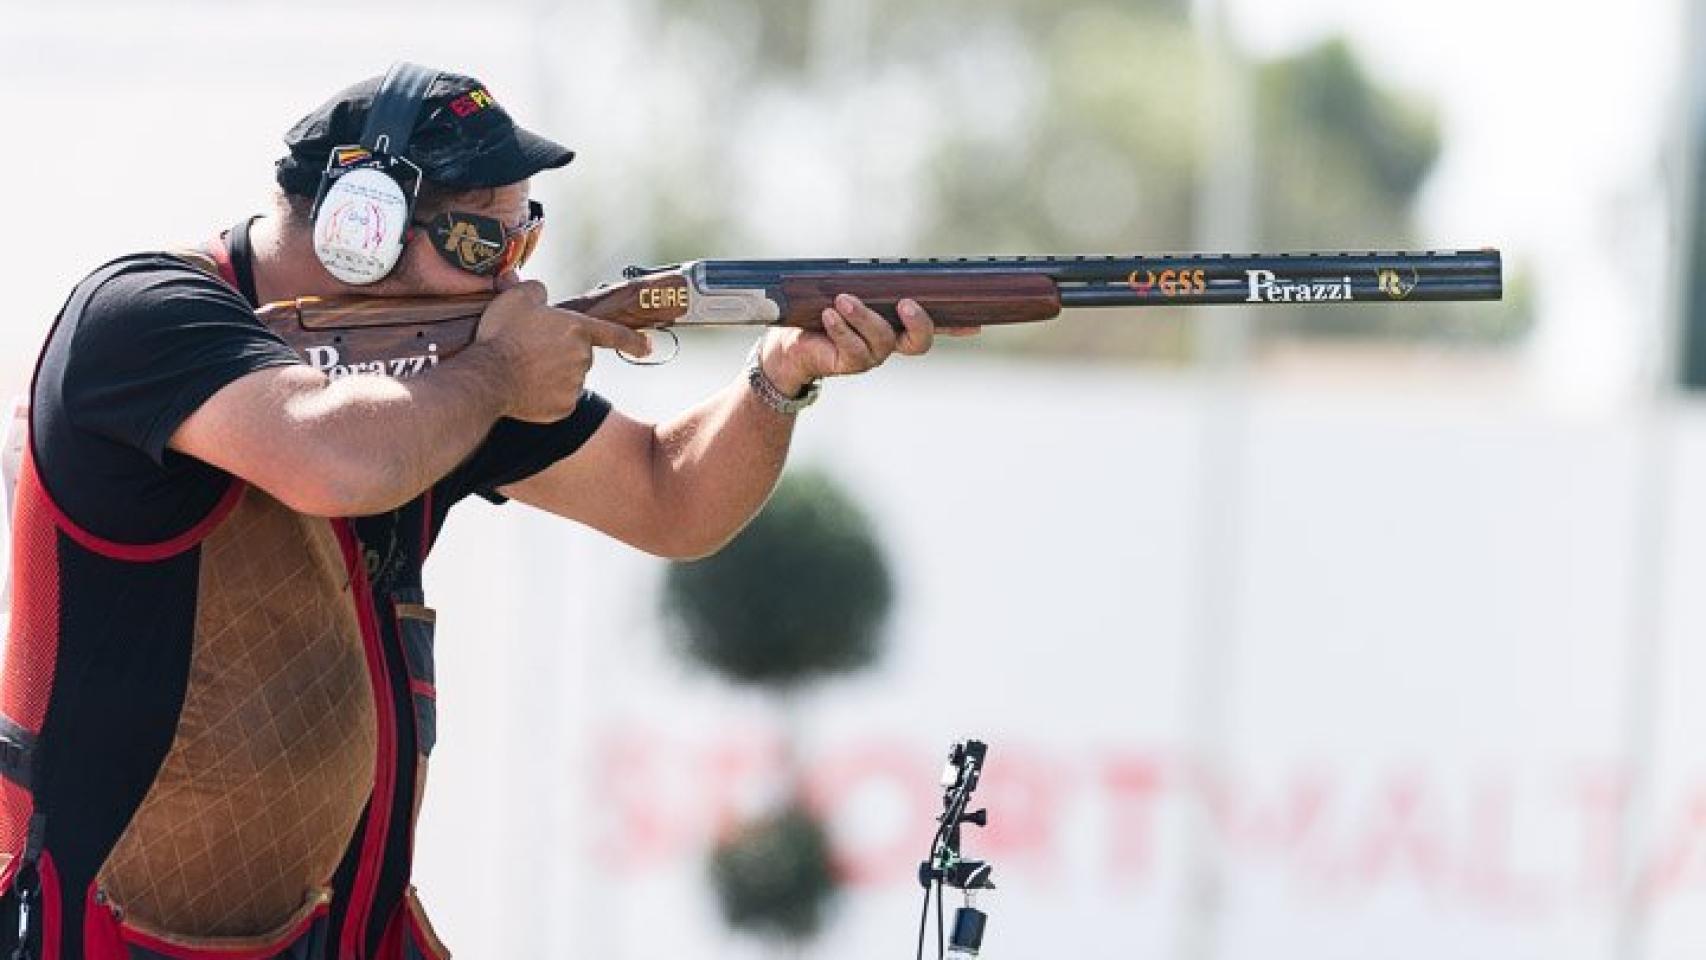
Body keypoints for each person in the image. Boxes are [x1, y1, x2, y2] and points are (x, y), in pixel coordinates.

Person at [0, 64, 967, 960]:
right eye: (479, 238)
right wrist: (502, 370)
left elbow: (672, 497)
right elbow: (335, 458)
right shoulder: (143, 315)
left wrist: (779, 377)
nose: (511, 273)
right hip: (102, 930)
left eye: (524, 233)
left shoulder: (442, 382)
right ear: (359, 226)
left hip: (348, 927)